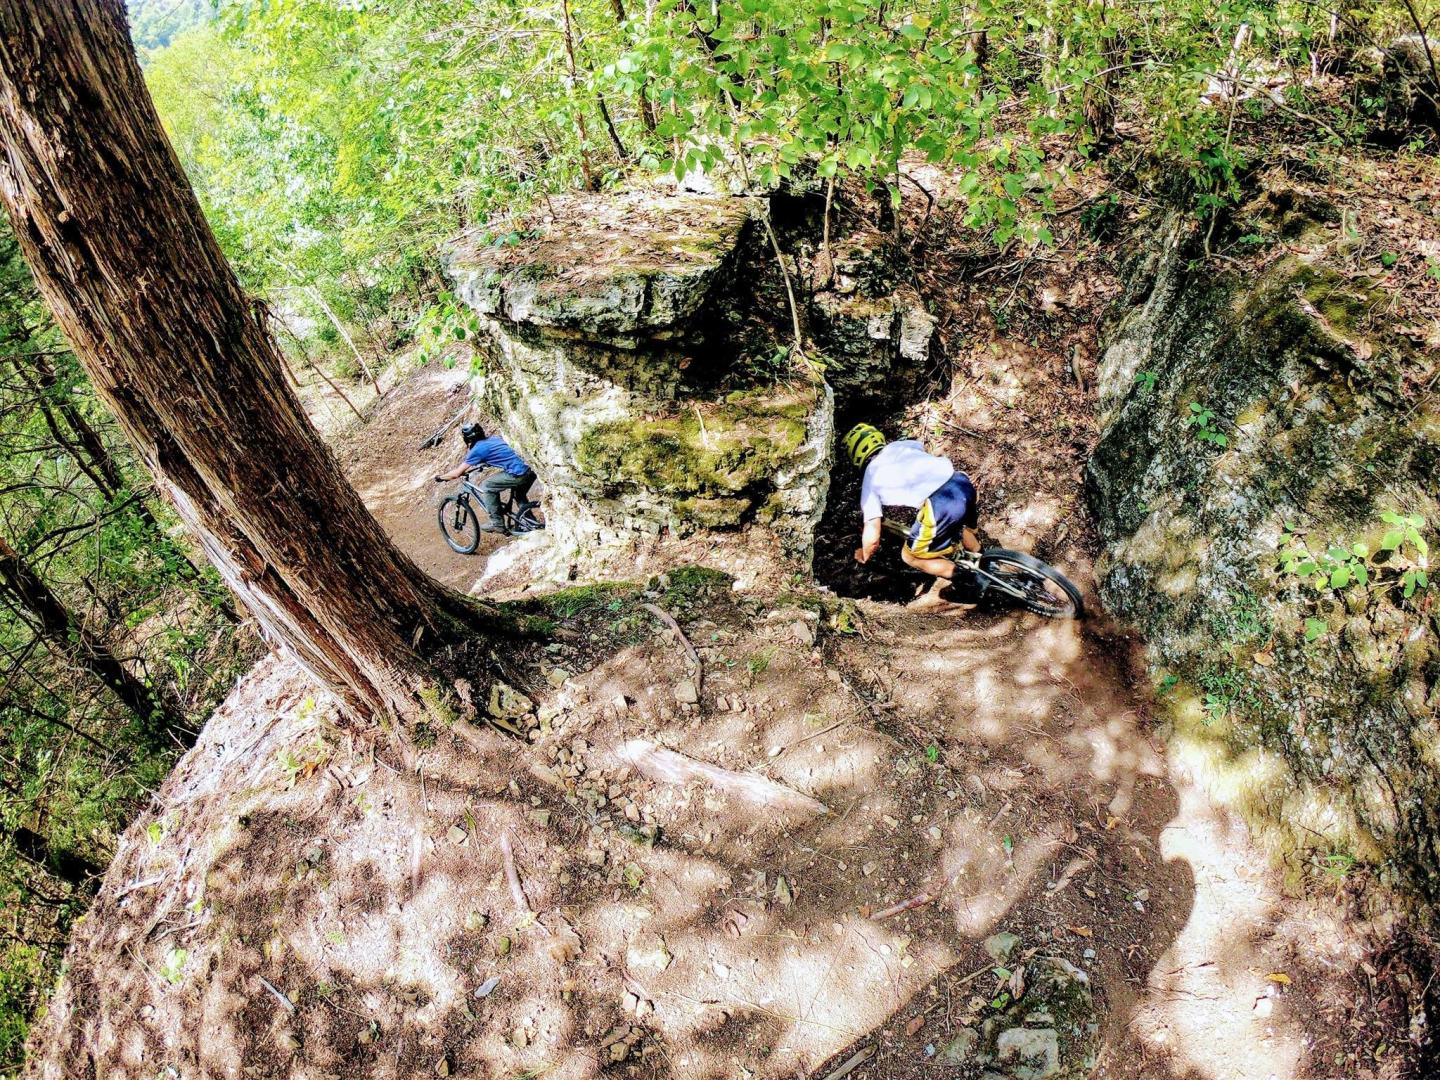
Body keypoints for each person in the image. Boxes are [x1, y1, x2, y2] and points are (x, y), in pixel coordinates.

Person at [844, 422, 980, 585]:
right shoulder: (899, 445)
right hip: (960, 482)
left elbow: (872, 533)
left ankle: (972, 580)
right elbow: (920, 450)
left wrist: (864, 554)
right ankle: (985, 559)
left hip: (942, 504)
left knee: (910, 556)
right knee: (961, 524)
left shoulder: (870, 476)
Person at [434, 423, 538, 533]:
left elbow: (456, 473)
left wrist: (441, 477)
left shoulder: (477, 450)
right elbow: (500, 453)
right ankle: (532, 523)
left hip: (519, 473)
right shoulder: (493, 439)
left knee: (488, 485)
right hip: (531, 468)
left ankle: (497, 523)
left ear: (467, 438)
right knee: (519, 495)